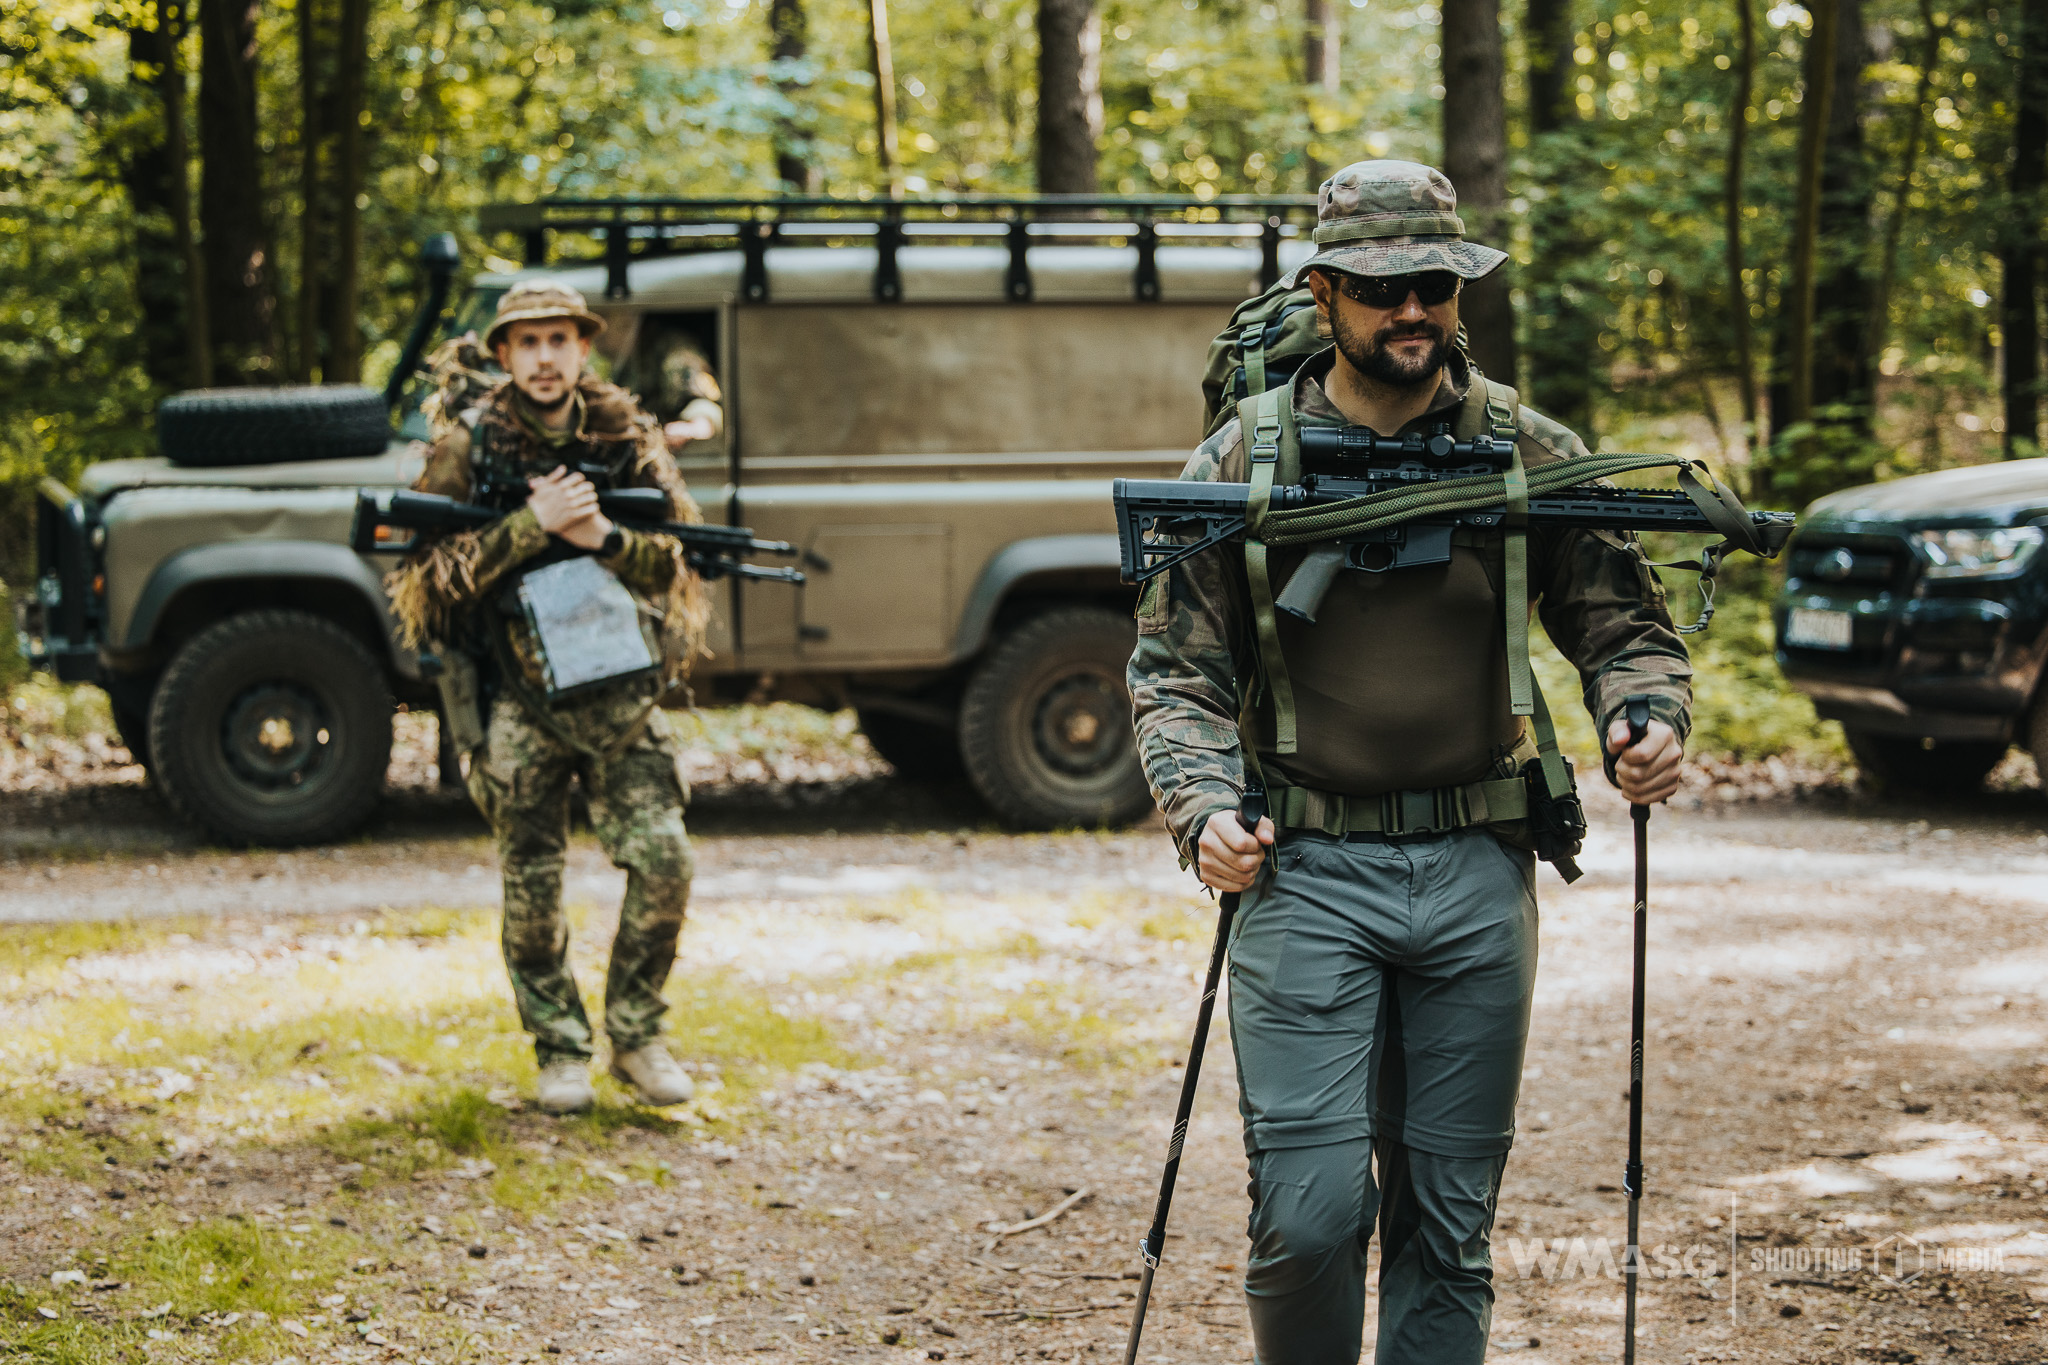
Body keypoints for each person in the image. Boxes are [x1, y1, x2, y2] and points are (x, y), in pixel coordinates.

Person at [1127, 161, 1690, 1364]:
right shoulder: (1241, 459)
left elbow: (1619, 621)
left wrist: (1643, 714)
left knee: (1447, 1222)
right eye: (1379, 289)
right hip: (1301, 867)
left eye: (1431, 284)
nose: (1410, 312)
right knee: (1309, 1212)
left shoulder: (1523, 447)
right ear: (1323, 293)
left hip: (1477, 866)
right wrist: (1201, 807)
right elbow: (1175, 669)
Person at [388, 281, 713, 1115]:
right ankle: (560, 1048)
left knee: (667, 860)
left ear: (582, 348)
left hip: (619, 696)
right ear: (503, 355)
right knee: (531, 890)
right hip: (521, 699)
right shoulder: (470, 445)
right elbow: (426, 581)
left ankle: (636, 1036)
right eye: (526, 343)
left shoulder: (624, 435)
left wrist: (598, 535)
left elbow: (677, 560)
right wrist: (532, 525)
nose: (544, 358)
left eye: (558, 340)